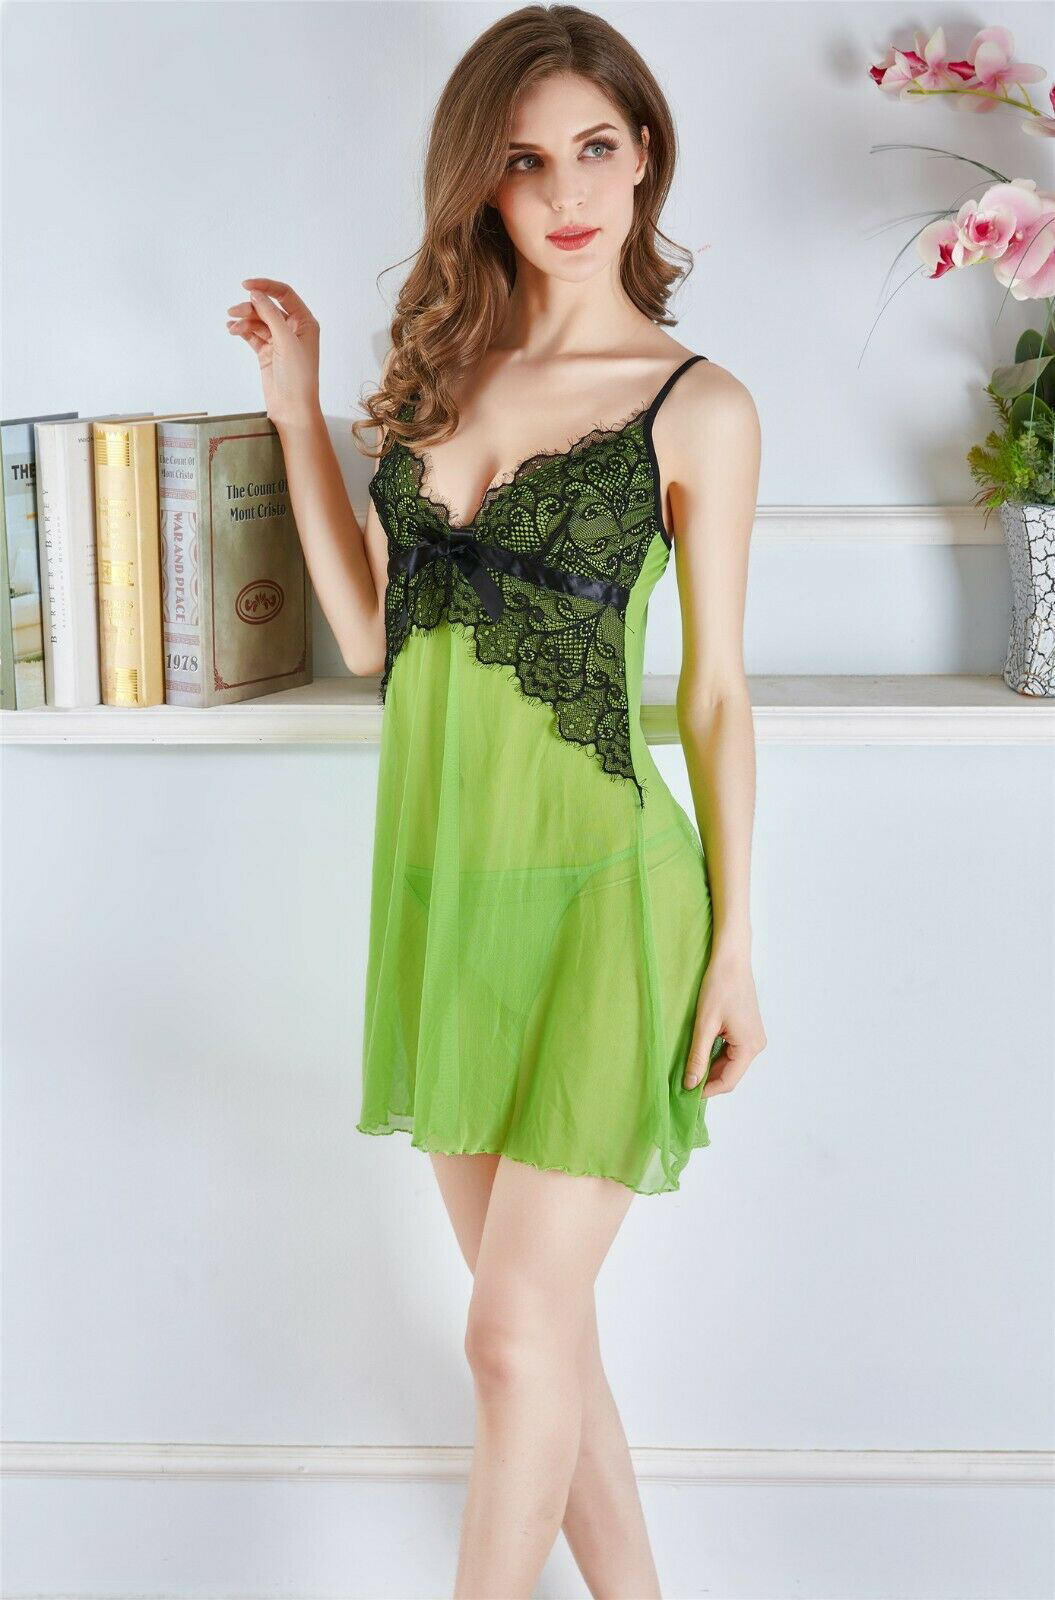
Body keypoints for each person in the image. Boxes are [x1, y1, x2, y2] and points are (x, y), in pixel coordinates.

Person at [227, 6, 766, 1594]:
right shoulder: (435, 382)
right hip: (452, 901)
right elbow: (369, 636)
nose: (566, 191)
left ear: (646, 154)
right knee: (544, 1342)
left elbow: (716, 696)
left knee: (510, 1332)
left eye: (595, 147)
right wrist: (297, 407)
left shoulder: (697, 406)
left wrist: (737, 948)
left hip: (613, 898)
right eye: (526, 161)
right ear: (482, 183)